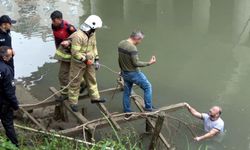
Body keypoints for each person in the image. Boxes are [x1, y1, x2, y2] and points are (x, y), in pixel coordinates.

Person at [67, 15, 106, 112]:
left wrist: (96, 59)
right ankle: (73, 102)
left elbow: (94, 47)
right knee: (75, 82)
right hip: (78, 63)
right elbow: (75, 53)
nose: (96, 29)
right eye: (96, 28)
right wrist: (85, 60)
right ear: (91, 26)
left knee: (92, 79)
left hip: (90, 61)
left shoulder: (92, 34)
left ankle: (95, 98)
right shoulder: (78, 35)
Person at [118, 31, 156, 119]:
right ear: (137, 38)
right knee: (148, 87)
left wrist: (121, 70)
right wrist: (149, 63)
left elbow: (119, 59)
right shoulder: (132, 48)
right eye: (140, 40)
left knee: (127, 92)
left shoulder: (121, 43)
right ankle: (148, 109)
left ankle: (127, 111)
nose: (140, 42)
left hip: (125, 73)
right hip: (134, 73)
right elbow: (136, 63)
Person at [50, 10, 83, 101]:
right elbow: (57, 40)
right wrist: (58, 55)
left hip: (72, 53)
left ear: (60, 20)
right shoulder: (54, 27)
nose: (53, 22)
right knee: (66, 74)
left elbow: (78, 39)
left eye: (54, 20)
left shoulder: (69, 28)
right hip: (63, 54)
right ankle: (82, 85)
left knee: (63, 75)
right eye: (52, 20)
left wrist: (69, 42)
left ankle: (66, 93)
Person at [0, 46, 19, 147]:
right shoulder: (6, 70)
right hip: (3, 102)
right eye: (10, 56)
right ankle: (14, 145)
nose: (12, 57)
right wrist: (15, 105)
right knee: (8, 124)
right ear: (4, 57)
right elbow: (9, 92)